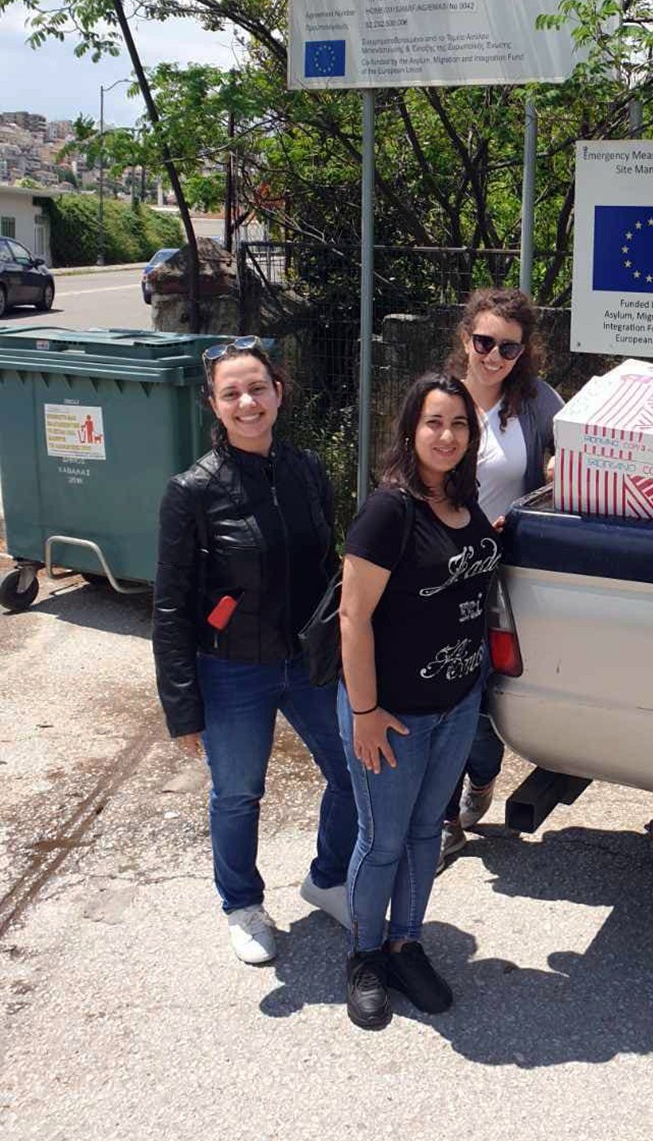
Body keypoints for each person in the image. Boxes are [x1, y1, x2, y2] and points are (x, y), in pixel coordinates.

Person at [153, 336, 356, 966]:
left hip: (308, 661)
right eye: (232, 393)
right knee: (238, 793)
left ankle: (328, 880)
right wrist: (182, 707)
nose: (247, 403)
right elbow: (170, 605)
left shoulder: (308, 470)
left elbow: (326, 567)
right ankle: (241, 905)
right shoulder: (191, 491)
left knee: (353, 770)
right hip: (231, 668)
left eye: (257, 388)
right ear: (214, 405)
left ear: (279, 393)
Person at [338, 373, 501, 1030]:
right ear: (410, 430)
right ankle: (365, 956)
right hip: (393, 713)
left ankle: (405, 945)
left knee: (425, 832)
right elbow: (353, 616)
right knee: (382, 840)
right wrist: (364, 711)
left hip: (456, 704)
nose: (447, 436)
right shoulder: (389, 510)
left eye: (459, 424)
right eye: (434, 422)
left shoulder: (465, 503)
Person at [440, 287, 563, 865]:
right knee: (441, 688)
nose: (493, 357)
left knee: (482, 692)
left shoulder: (537, 402)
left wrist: (553, 474)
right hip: (437, 565)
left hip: (501, 569)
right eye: (484, 342)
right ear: (466, 338)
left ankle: (483, 773)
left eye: (508, 348)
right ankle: (443, 821)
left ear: (523, 352)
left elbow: (571, 461)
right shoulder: (441, 397)